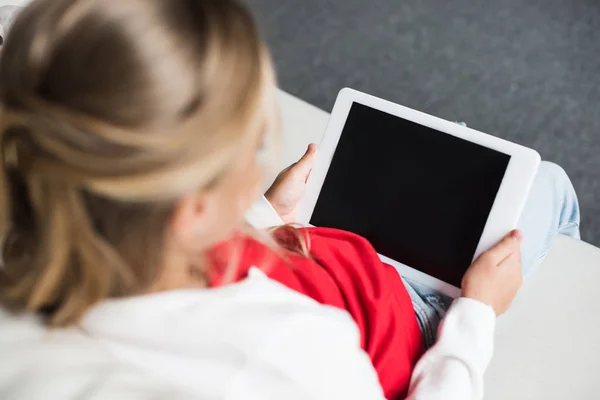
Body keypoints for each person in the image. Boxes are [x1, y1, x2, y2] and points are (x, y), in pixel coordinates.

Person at [0, 0, 580, 399]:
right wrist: (476, 316)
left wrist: (262, 215)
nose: (259, 155)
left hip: (304, 253)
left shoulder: (53, 257)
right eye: (252, 141)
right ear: (192, 211)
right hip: (414, 323)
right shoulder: (290, 357)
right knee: (547, 183)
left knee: (456, 149)